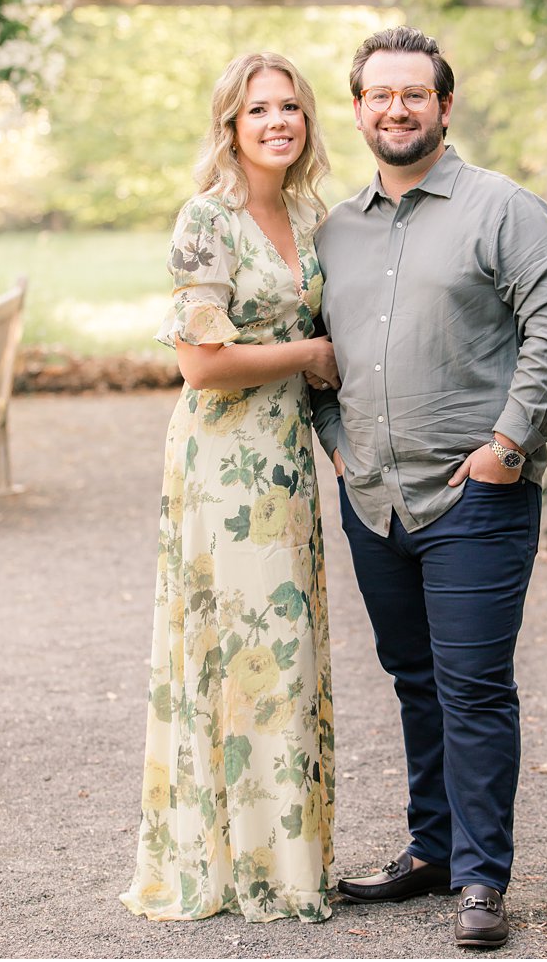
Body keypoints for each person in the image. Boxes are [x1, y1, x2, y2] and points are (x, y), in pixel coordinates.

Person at [312, 26, 547, 949]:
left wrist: (509, 445)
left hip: (476, 498)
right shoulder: (335, 229)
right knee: (413, 678)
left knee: (472, 686)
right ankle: (432, 848)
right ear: (357, 110)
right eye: (378, 96)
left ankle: (481, 878)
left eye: (413, 95)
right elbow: (318, 355)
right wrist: (340, 449)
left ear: (444, 105)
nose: (395, 109)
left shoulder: (503, 208)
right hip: (373, 498)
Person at [119, 52, 340, 924]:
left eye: (291, 107)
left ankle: (292, 859)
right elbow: (199, 365)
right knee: (240, 648)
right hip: (222, 465)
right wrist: (308, 355)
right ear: (232, 125)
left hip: (285, 461)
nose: (278, 121)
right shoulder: (205, 220)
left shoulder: (310, 215)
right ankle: (235, 864)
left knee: (287, 650)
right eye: (261, 110)